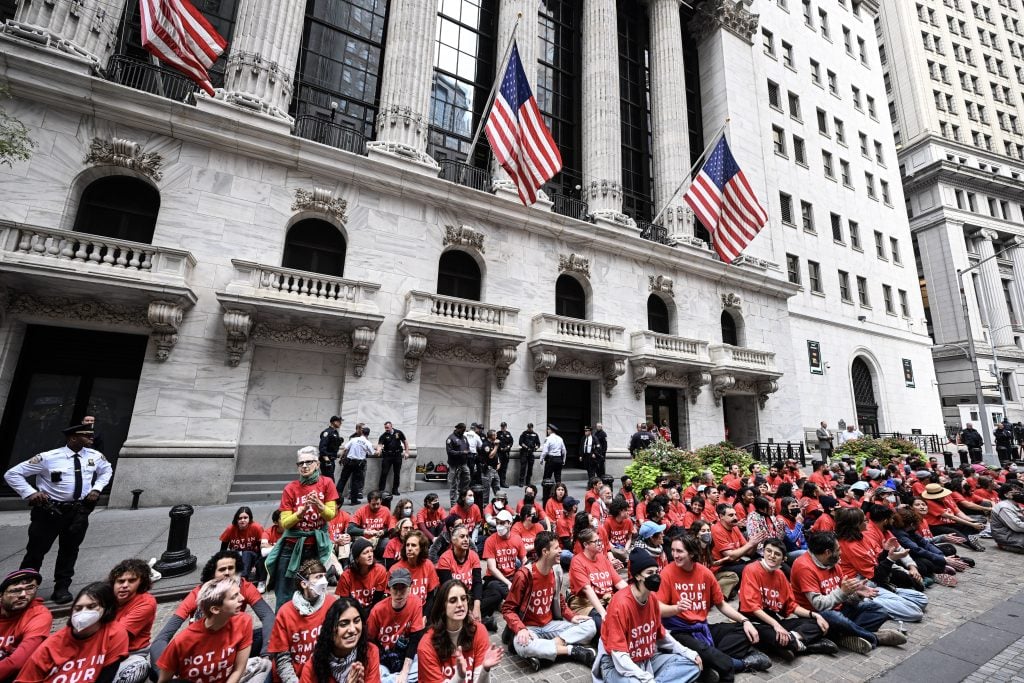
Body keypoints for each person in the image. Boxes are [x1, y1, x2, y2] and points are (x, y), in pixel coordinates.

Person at [4, 422, 113, 604]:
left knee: (69, 550)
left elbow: (106, 471)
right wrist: (31, 493)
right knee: (36, 551)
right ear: (72, 438)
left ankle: (62, 587)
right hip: (50, 511)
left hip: (78, 511)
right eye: (86, 435)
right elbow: (12, 474)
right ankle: (24, 587)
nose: (91, 438)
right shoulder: (49, 457)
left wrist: (97, 488)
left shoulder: (95, 456)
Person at [657, 535, 771, 681]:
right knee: (704, 650)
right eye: (673, 551)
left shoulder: (705, 573)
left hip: (702, 628)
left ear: (691, 553)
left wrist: (744, 621)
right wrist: (676, 609)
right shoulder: (667, 572)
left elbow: (721, 604)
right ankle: (741, 663)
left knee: (744, 631)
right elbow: (658, 608)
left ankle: (709, 661)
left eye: (679, 551)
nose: (674, 555)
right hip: (679, 632)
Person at [594, 548, 702, 683]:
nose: (655, 577)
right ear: (638, 576)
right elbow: (618, 654)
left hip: (646, 659)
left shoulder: (652, 599)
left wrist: (688, 653)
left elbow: (662, 635)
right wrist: (645, 678)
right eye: (650, 573)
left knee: (691, 665)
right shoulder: (620, 603)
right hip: (616, 664)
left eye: (656, 572)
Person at [151, 551, 274, 666]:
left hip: (231, 643)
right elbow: (163, 636)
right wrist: (163, 670)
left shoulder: (245, 586)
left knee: (270, 632)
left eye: (231, 568)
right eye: (222, 569)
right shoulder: (199, 593)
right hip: (202, 648)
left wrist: (266, 654)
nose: (227, 572)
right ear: (213, 574)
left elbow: (268, 616)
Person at [790, 532, 906, 654]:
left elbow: (844, 596)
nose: (841, 552)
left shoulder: (832, 562)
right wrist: (843, 592)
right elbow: (819, 605)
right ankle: (875, 637)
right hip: (818, 617)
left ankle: (846, 635)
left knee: (878, 610)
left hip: (841, 611)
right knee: (834, 616)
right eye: (838, 549)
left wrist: (857, 594)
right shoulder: (804, 567)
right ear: (828, 552)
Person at [500, 531, 596, 672]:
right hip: (529, 628)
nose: (560, 551)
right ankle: (571, 651)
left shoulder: (556, 571)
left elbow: (559, 600)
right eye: (556, 548)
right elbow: (507, 609)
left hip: (551, 625)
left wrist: (572, 616)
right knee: (522, 645)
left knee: (590, 625)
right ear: (545, 551)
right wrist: (520, 629)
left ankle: (546, 652)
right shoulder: (524, 575)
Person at [738, 539, 836, 661]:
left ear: (783, 559)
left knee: (818, 624)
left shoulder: (780, 575)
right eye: (768, 551)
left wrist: (814, 615)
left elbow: (791, 606)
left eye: (777, 554)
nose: (772, 556)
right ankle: (808, 645)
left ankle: (791, 643)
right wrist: (777, 626)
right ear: (763, 552)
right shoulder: (751, 569)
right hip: (753, 621)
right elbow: (753, 608)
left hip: (774, 620)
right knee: (774, 636)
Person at [267, 447, 339, 610]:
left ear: (317, 464)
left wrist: (318, 505)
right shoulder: (290, 488)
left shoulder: (327, 483)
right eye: (301, 463)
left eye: (308, 462)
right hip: (292, 546)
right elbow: (285, 524)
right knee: (285, 589)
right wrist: (300, 513)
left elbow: (330, 515)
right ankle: (284, 623)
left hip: (315, 547)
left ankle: (311, 620)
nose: (304, 466)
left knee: (314, 586)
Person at [17, 582, 128, 683]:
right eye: (78, 608)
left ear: (106, 610)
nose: (83, 613)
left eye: (91, 607)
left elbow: (106, 677)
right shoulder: (51, 645)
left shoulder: (114, 633)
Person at [416, 580, 503, 683]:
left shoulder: (479, 630)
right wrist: (459, 677)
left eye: (463, 599)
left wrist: (485, 669)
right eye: (453, 600)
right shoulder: (426, 645)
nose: (460, 604)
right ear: (442, 606)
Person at [268, 559, 337, 683]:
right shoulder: (285, 612)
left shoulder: (332, 603)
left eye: (324, 576)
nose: (324, 581)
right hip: (292, 677)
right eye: (318, 577)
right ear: (304, 584)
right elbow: (282, 659)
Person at [300, 597, 381, 683]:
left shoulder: (370, 652)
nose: (352, 630)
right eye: (344, 624)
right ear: (330, 629)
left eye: (357, 621)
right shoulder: (312, 668)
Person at [367, 568, 424, 683]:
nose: (398, 594)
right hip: (383, 656)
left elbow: (415, 639)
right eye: (395, 588)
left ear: (410, 588)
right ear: (389, 589)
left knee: (422, 669)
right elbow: (370, 641)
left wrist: (404, 672)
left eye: (402, 588)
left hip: (407, 654)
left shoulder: (416, 603)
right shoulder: (377, 610)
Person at [568, 528, 627, 634]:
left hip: (607, 599)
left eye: (600, 540)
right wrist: (603, 613)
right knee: (604, 625)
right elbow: (587, 589)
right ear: (585, 545)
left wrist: (635, 597)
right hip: (587, 604)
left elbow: (619, 583)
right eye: (596, 542)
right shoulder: (577, 561)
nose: (600, 544)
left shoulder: (602, 558)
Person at [108, 558, 157, 683]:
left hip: (131, 655)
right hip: (100, 653)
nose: (125, 585)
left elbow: (117, 635)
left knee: (135, 670)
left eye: (131, 581)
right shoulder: (104, 598)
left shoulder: (146, 602)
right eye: (120, 581)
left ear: (141, 582)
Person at [0, 569, 51, 683]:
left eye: (30, 588)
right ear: (1, 595)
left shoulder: (38, 615)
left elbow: (17, 662)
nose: (23, 595)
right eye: (16, 591)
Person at [480, 509, 526, 632]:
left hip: (512, 576)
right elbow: (492, 568)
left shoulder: (517, 539)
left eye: (503, 523)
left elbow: (524, 560)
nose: (499, 526)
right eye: (498, 523)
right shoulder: (490, 540)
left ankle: (506, 603)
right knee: (497, 590)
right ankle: (512, 603)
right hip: (495, 578)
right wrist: (507, 582)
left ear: (510, 524)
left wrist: (522, 575)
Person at [436, 527, 483, 622]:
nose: (466, 539)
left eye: (467, 536)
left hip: (469, 595)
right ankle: (476, 619)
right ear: (453, 540)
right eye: (462, 536)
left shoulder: (473, 555)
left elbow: (477, 582)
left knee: (493, 593)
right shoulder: (445, 558)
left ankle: (471, 617)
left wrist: (477, 607)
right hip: (452, 597)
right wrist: (467, 610)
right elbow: (449, 589)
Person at [390, 530, 440, 612]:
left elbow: (431, 595)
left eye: (413, 545)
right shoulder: (395, 569)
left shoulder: (428, 565)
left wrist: (425, 616)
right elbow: (392, 600)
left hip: (423, 610)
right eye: (407, 545)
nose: (409, 548)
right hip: (404, 613)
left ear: (421, 548)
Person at [220, 506, 267, 592]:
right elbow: (223, 549)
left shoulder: (256, 527)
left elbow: (262, 549)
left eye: (245, 518)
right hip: (237, 557)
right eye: (240, 518)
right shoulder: (230, 529)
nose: (243, 520)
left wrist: (257, 565)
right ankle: (240, 580)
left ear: (250, 518)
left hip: (252, 556)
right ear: (236, 519)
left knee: (249, 553)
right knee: (242, 553)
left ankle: (259, 581)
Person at [336, 538, 389, 611]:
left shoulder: (380, 571)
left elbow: (377, 600)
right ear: (357, 558)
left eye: (371, 551)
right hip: (353, 611)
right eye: (365, 553)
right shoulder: (346, 576)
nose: (370, 555)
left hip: (373, 610)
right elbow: (344, 603)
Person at [339, 427, 373, 506]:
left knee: (342, 480)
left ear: (362, 432)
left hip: (349, 462)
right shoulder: (368, 443)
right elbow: (371, 453)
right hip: (359, 464)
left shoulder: (354, 439)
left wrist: (341, 458)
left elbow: (345, 449)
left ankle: (336, 498)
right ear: (368, 434)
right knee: (356, 482)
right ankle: (353, 500)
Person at [377, 422, 409, 496]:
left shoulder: (398, 432)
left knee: (397, 473)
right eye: (385, 428)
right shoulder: (383, 435)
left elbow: (405, 442)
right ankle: (381, 490)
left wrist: (407, 452)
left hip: (397, 455)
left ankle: (395, 490)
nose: (386, 429)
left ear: (391, 426)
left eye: (387, 427)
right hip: (387, 456)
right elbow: (380, 444)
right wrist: (378, 450)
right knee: (384, 473)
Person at [990, 484, 1024, 553]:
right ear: (1006, 495)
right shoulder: (1004, 507)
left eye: (1020, 493)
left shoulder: (1014, 504)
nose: (1020, 495)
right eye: (1016, 493)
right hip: (1007, 537)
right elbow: (1017, 526)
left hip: (1015, 534)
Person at [445, 424, 472, 508]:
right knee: (454, 484)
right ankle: (453, 505)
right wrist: (461, 452)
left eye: (464, 430)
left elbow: (467, 448)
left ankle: (461, 497)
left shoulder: (464, 438)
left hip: (463, 463)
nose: (463, 431)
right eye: (462, 429)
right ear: (457, 428)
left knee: (467, 478)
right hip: (454, 465)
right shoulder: (451, 438)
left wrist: (468, 453)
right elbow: (449, 452)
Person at [318, 416, 344, 480]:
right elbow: (322, 447)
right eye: (339, 422)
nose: (340, 423)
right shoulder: (327, 432)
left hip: (332, 460)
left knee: (328, 482)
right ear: (334, 422)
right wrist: (327, 460)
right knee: (330, 481)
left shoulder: (335, 433)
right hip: (327, 461)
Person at [517, 423, 541, 487]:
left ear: (532, 427)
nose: (529, 428)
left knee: (530, 468)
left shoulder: (535, 434)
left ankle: (528, 482)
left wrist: (536, 448)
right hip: (524, 453)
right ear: (527, 427)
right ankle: (521, 482)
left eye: (531, 427)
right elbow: (520, 442)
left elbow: (538, 444)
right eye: (529, 427)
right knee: (523, 468)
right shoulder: (524, 433)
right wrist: (526, 447)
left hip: (531, 453)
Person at [495, 422, 514, 489]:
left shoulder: (508, 434)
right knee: (498, 468)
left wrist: (507, 447)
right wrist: (500, 448)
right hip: (500, 453)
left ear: (506, 426)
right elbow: (496, 441)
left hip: (506, 453)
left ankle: (503, 482)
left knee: (504, 468)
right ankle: (497, 482)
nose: (503, 428)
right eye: (502, 426)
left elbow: (511, 442)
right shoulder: (498, 433)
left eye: (504, 426)